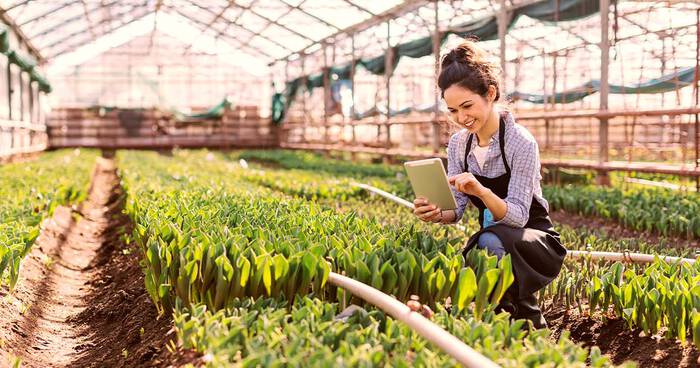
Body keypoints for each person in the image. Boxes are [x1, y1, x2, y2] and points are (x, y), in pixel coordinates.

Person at [412, 40, 566, 329]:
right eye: (453, 110)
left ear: (491, 93)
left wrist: (481, 191)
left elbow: (519, 218)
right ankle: (512, 324)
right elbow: (455, 211)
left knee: (489, 241)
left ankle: (523, 321)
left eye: (467, 106)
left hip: (533, 239)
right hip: (494, 238)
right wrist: (434, 212)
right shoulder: (459, 144)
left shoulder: (520, 142)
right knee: (486, 243)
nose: (461, 118)